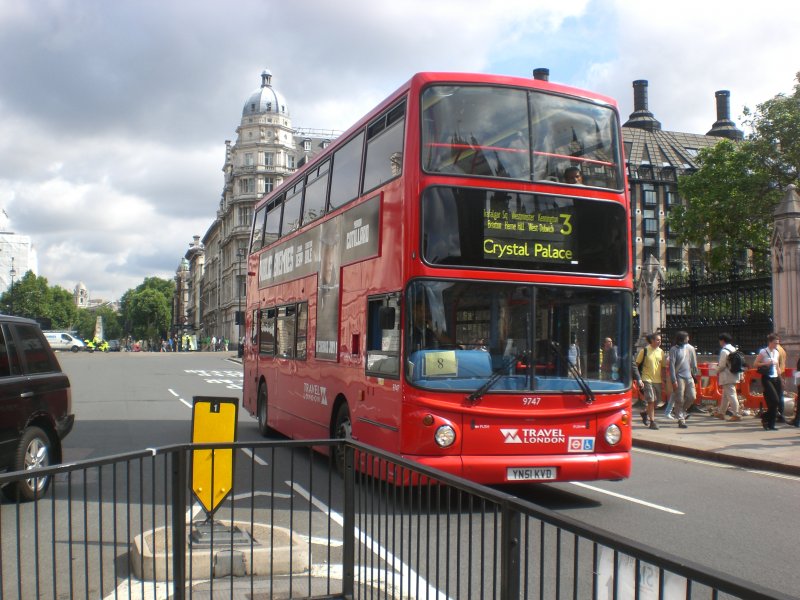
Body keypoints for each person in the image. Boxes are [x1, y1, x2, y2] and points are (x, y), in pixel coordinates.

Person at [667, 330, 698, 429]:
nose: (688, 339)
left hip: (689, 376)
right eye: (687, 337)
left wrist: (695, 375)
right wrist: (673, 380)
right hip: (679, 377)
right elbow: (671, 366)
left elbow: (694, 364)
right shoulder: (673, 349)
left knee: (692, 396)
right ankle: (681, 419)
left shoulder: (690, 348)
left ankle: (680, 411)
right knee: (679, 398)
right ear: (682, 338)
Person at [635, 333, 664, 430]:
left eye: (660, 340)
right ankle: (652, 422)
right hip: (646, 378)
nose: (659, 342)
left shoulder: (661, 352)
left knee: (658, 401)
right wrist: (638, 379)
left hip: (658, 379)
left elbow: (663, 366)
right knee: (651, 400)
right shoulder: (645, 350)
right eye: (657, 340)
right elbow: (636, 364)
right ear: (652, 340)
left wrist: (664, 379)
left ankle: (644, 413)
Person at [754, 333, 782, 430]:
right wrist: (766, 363)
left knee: (775, 402)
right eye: (775, 343)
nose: (776, 345)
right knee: (774, 400)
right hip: (767, 377)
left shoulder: (777, 352)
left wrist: (780, 378)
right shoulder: (763, 351)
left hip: (775, 377)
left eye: (777, 343)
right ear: (770, 342)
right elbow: (755, 363)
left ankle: (771, 424)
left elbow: (777, 366)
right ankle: (765, 417)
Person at [713, 333, 742, 421]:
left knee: (731, 395)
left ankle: (736, 414)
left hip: (726, 376)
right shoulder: (733, 349)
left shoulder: (724, 351)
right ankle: (721, 413)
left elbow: (722, 365)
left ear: (722, 341)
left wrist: (715, 369)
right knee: (726, 396)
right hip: (734, 374)